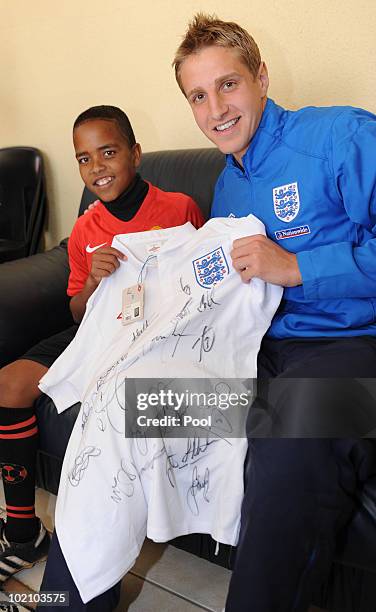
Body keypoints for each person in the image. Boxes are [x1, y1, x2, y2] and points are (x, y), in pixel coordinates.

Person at [172, 13, 376, 612]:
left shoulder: (343, 136)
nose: (216, 110)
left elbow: (284, 269)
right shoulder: (227, 185)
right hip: (264, 350)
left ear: (261, 77)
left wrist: (297, 267)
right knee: (144, 404)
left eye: (228, 85)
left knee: (292, 428)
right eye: (198, 96)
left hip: (353, 347)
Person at [0, 105, 204, 596]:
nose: (97, 168)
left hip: (152, 335)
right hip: (94, 328)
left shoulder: (180, 208)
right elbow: (76, 312)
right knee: (8, 384)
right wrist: (92, 282)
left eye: (108, 152)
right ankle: (25, 534)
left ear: (135, 153)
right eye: (84, 159)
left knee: (111, 403)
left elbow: (203, 286)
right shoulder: (88, 229)